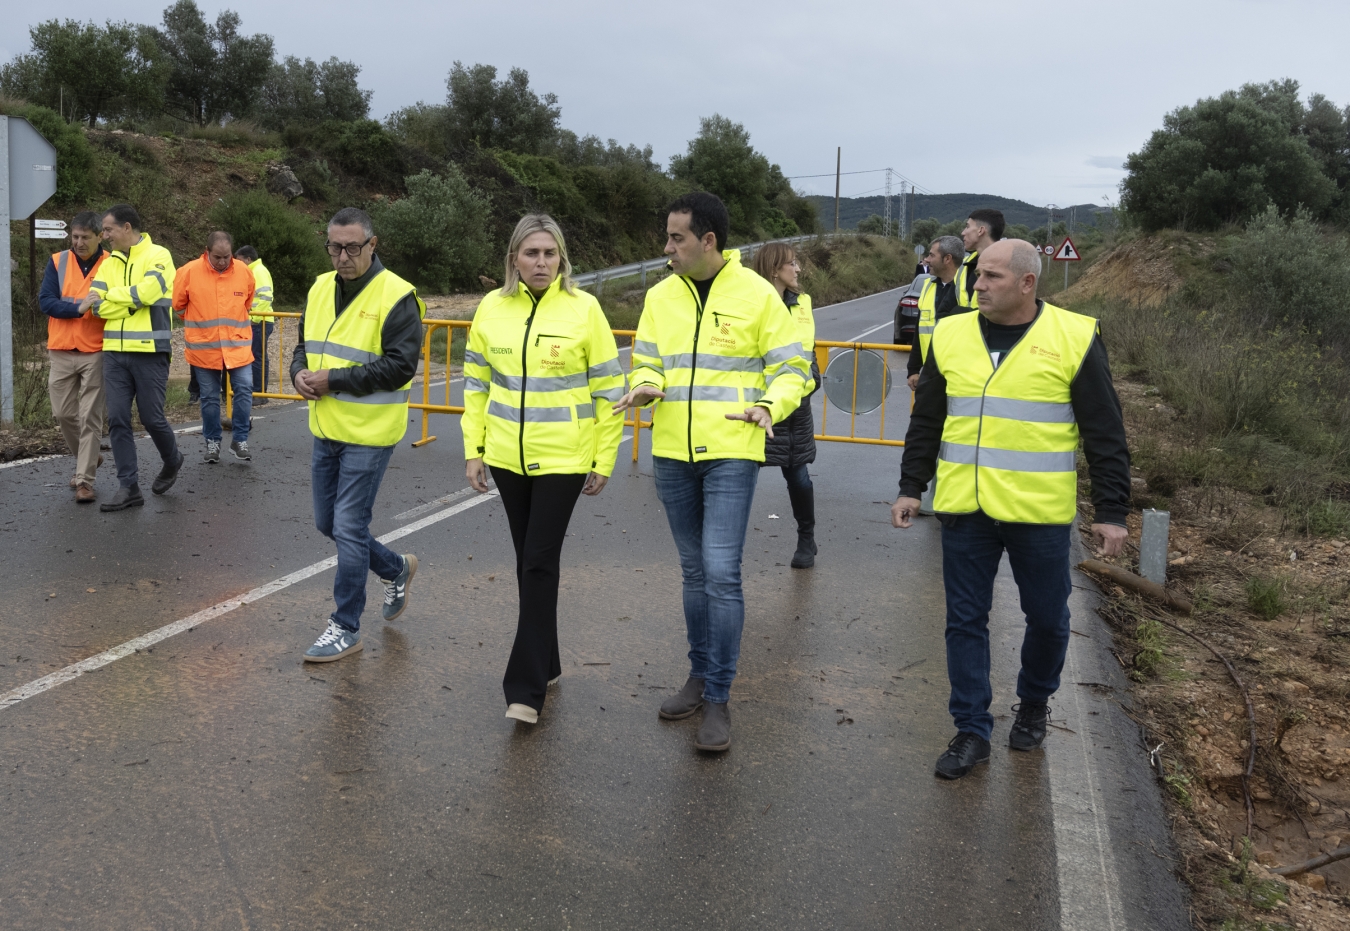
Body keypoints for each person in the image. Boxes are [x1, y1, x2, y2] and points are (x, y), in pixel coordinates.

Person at [890, 239, 1131, 780]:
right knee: (964, 621)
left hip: (1037, 515)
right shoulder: (950, 333)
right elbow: (927, 419)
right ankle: (971, 728)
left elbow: (1104, 431)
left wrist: (1112, 510)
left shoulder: (1074, 336)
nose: (978, 285)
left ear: (1027, 282)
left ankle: (1035, 701)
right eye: (977, 276)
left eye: (992, 277)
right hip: (965, 509)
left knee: (1047, 619)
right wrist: (911, 486)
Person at [614, 192, 809, 753]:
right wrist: (646, 383)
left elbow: (793, 367)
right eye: (667, 236)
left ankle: (719, 695)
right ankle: (698, 676)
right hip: (673, 451)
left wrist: (770, 405)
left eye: (676, 238)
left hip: (732, 449)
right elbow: (647, 357)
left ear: (708, 241)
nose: (667, 247)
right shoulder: (659, 297)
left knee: (722, 571)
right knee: (694, 571)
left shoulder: (757, 295)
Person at [462, 214, 626, 725]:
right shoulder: (491, 308)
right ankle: (549, 662)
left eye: (549, 254)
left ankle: (525, 688)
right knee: (528, 563)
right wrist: (475, 449)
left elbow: (608, 393)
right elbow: (476, 387)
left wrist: (604, 458)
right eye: (531, 253)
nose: (541, 263)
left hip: (565, 459)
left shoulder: (585, 310)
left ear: (562, 259)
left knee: (537, 561)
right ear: (514, 257)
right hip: (509, 461)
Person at [290, 207, 424, 662]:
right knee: (327, 523)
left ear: (373, 244)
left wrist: (334, 380)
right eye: (334, 247)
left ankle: (345, 626)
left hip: (370, 432)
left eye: (352, 247)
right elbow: (303, 348)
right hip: (326, 427)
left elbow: (400, 366)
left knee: (348, 527)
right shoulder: (320, 287)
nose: (342, 256)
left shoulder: (398, 295)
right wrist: (298, 375)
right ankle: (395, 568)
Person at [82, 204, 183, 512]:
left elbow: (148, 294)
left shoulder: (159, 256)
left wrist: (117, 297)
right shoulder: (108, 263)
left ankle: (172, 459)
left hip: (150, 352)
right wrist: (126, 302)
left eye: (108, 230)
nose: (104, 235)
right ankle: (129, 487)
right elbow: (95, 305)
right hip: (114, 353)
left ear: (127, 228)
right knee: (118, 420)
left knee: (152, 418)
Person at [751, 242, 820, 569]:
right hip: (755, 405)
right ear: (774, 268)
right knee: (741, 476)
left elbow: (808, 352)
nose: (798, 269)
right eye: (792, 264)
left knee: (798, 476)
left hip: (794, 404)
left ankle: (807, 537)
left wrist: (811, 380)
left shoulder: (803, 303)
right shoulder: (749, 304)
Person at [40, 211, 107, 504]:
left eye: (85, 237)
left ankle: (84, 481)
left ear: (99, 236)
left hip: (96, 350)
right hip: (62, 349)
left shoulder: (111, 264)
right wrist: (78, 309)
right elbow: (46, 301)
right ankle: (89, 456)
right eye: (75, 237)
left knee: (89, 416)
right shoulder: (58, 261)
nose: (78, 242)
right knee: (64, 414)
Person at [173, 231, 255, 463]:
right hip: (204, 349)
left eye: (226, 257)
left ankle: (239, 439)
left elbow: (246, 303)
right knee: (209, 397)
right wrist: (200, 325)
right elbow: (178, 306)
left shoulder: (244, 272)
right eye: (217, 257)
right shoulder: (188, 272)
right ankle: (212, 443)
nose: (222, 261)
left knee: (245, 389)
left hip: (237, 346)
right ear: (206, 252)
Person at [906, 236, 966, 391]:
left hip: (959, 374)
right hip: (930, 373)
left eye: (932, 255)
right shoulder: (927, 286)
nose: (927, 260)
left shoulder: (968, 289)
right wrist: (913, 369)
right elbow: (919, 332)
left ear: (947, 259)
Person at [235, 245, 275, 406]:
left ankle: (259, 393)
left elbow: (266, 297)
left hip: (260, 320)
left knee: (258, 357)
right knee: (257, 357)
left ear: (248, 259)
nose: (238, 264)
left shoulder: (258, 271)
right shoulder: (254, 271)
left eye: (239, 261)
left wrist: (255, 318)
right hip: (259, 320)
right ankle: (258, 392)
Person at [954, 208, 1005, 311]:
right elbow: (943, 310)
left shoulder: (1007, 265)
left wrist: (959, 314)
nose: (963, 232)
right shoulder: (965, 265)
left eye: (967, 226)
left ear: (980, 230)